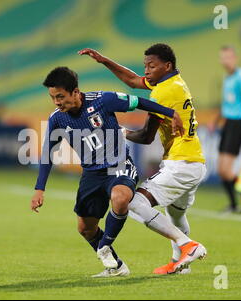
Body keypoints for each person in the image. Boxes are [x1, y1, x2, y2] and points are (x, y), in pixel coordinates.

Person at [31, 66, 189, 277]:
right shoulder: (57, 119)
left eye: (60, 97)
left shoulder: (103, 100)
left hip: (119, 165)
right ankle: (116, 267)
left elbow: (139, 102)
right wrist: (39, 189)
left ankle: (105, 246)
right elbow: (47, 153)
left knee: (120, 197)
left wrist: (172, 113)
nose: (57, 102)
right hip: (91, 174)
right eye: (53, 98)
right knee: (86, 229)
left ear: (75, 92)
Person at [79, 43, 207, 275]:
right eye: (145, 65)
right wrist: (104, 60)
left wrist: (122, 132)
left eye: (152, 66)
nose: (146, 70)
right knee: (176, 214)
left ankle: (189, 245)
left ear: (167, 66)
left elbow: (147, 137)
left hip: (180, 163)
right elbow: (133, 80)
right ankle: (180, 264)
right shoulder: (173, 82)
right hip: (194, 161)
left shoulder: (163, 92)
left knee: (135, 203)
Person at [208, 46, 241, 213]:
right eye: (223, 57)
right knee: (221, 170)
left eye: (229, 57)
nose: (226, 61)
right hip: (227, 123)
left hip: (238, 124)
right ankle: (234, 205)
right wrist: (215, 121)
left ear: (235, 58)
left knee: (226, 169)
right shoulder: (226, 78)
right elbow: (226, 105)